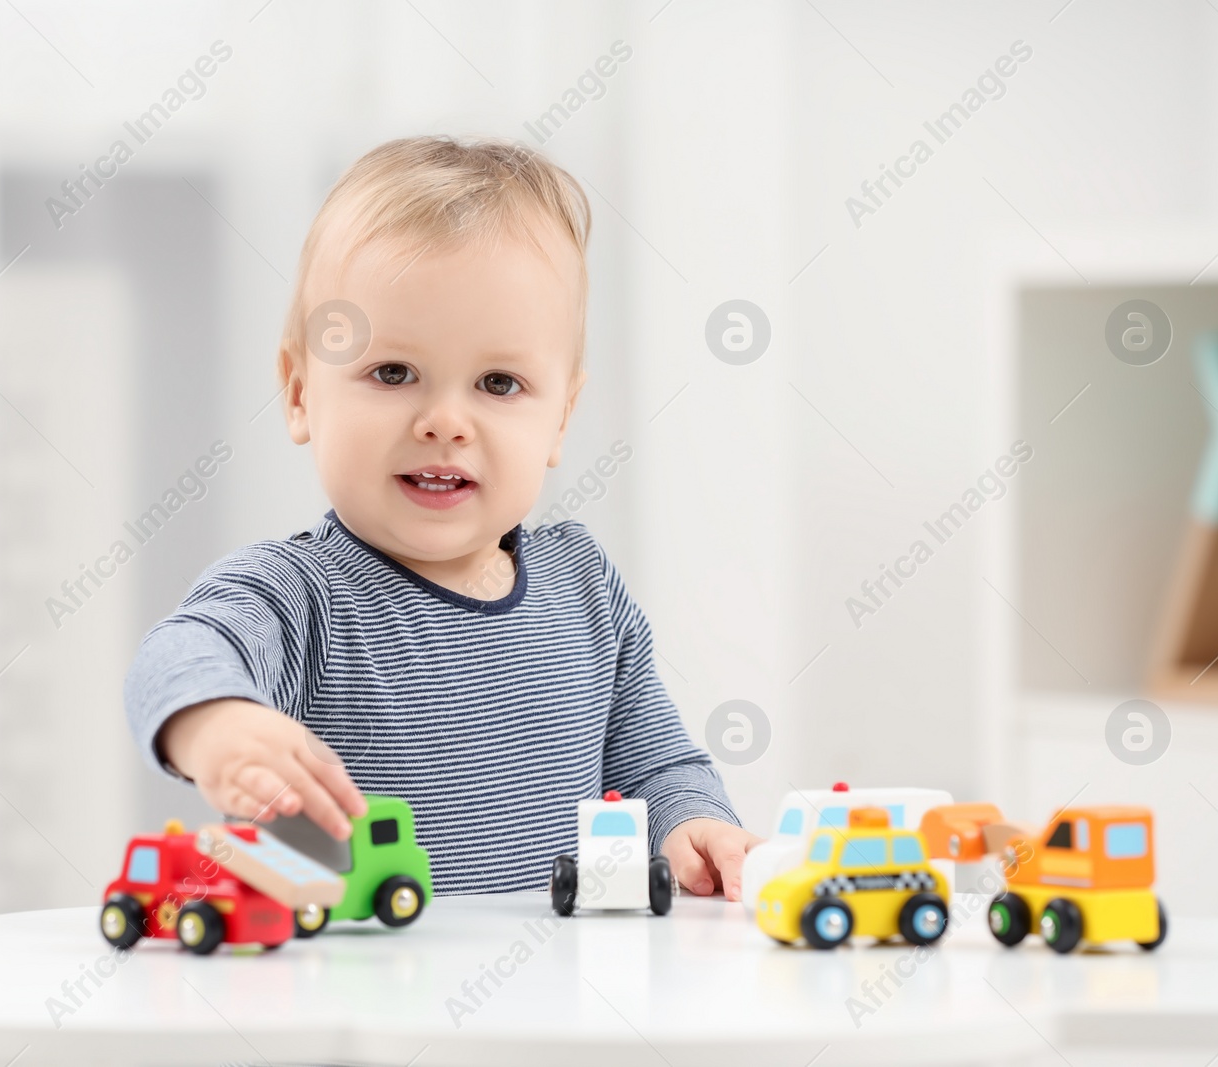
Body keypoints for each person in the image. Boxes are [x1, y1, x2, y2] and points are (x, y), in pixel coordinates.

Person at [125, 136, 759, 897]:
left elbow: (655, 764)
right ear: (299, 392)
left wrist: (694, 823)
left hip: (566, 1000)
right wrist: (217, 724)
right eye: (392, 372)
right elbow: (179, 653)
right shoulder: (298, 595)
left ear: (560, 418)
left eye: (499, 382)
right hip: (363, 994)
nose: (445, 421)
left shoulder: (584, 588)